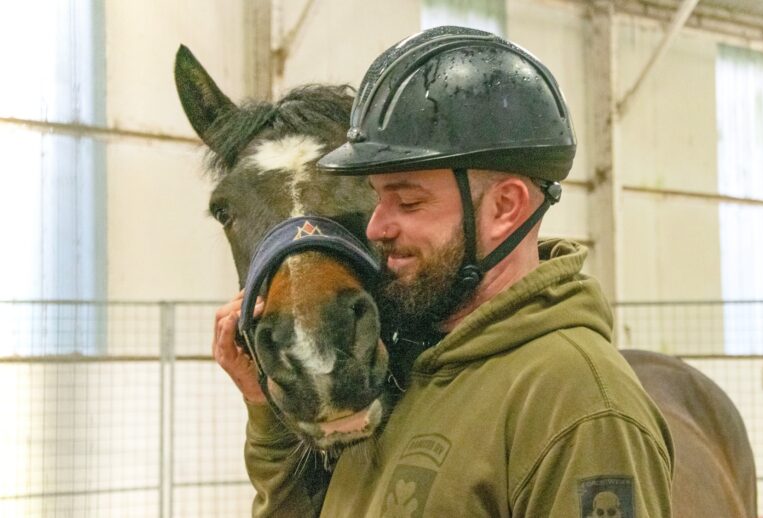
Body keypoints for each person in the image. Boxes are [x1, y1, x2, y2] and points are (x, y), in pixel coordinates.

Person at [212, 25, 673, 517]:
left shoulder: (579, 406)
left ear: (504, 208)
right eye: (377, 197)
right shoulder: (401, 364)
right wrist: (266, 412)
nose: (375, 226)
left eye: (407, 201)